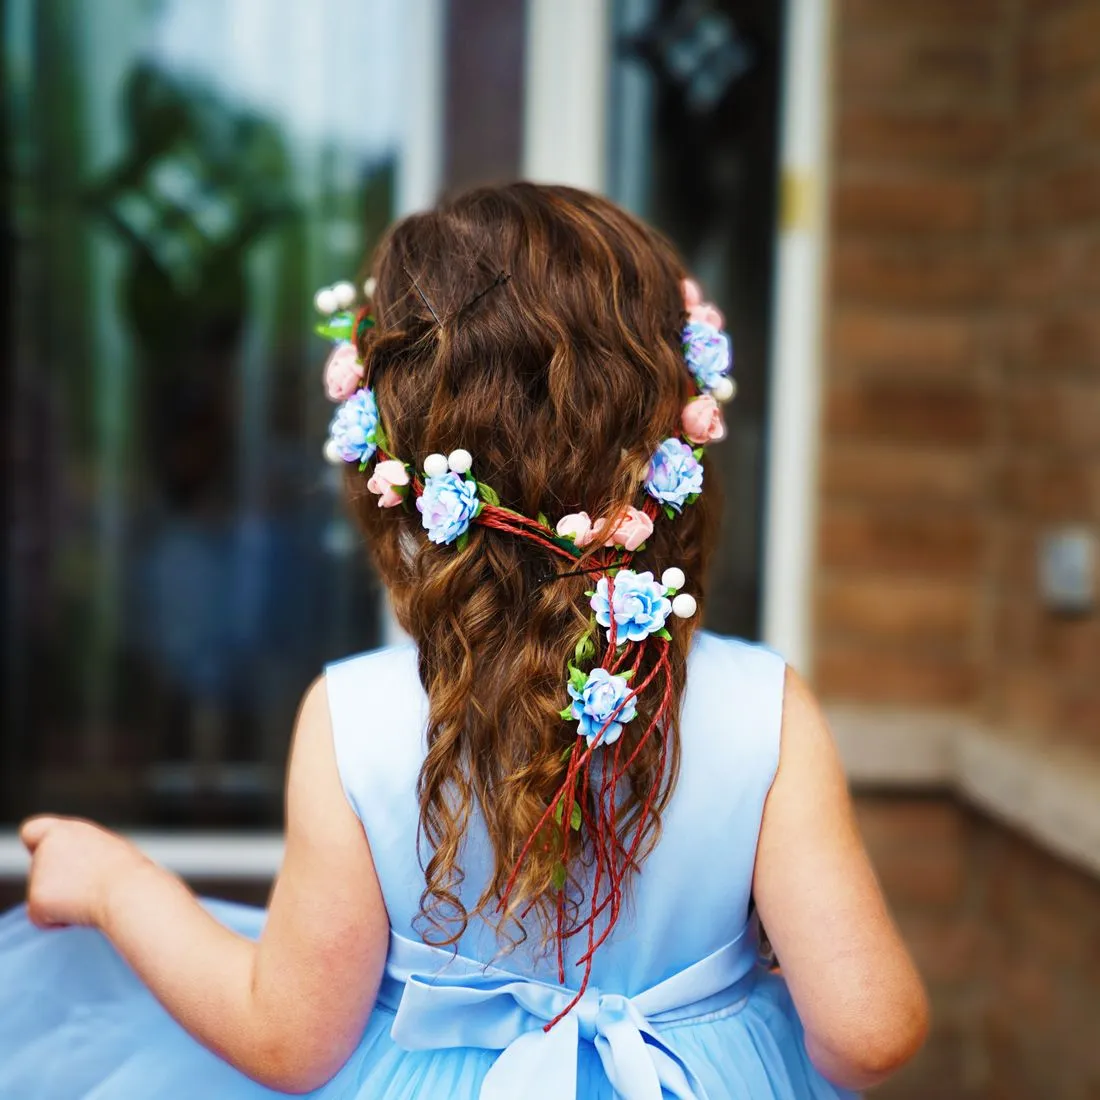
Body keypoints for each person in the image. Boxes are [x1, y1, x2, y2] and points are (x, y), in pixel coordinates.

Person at [0, 183, 928, 1099]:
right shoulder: (762, 708)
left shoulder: (354, 720)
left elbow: (288, 1041)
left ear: (392, 456)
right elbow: (869, 1034)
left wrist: (115, 885)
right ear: (674, 427)